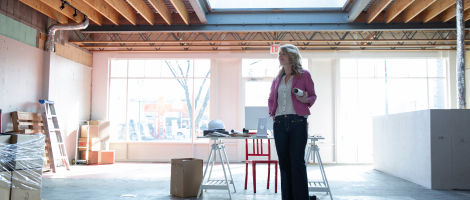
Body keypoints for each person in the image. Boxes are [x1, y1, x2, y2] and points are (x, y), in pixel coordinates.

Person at [268, 44, 317, 200]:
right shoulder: (278, 79)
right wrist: (273, 113)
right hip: (280, 124)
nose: (280, 56)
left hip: (298, 122)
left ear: (292, 56)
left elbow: (313, 96)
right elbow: (271, 98)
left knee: (297, 163)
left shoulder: (304, 75)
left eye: (283, 54)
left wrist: (305, 99)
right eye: (279, 54)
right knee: (284, 163)